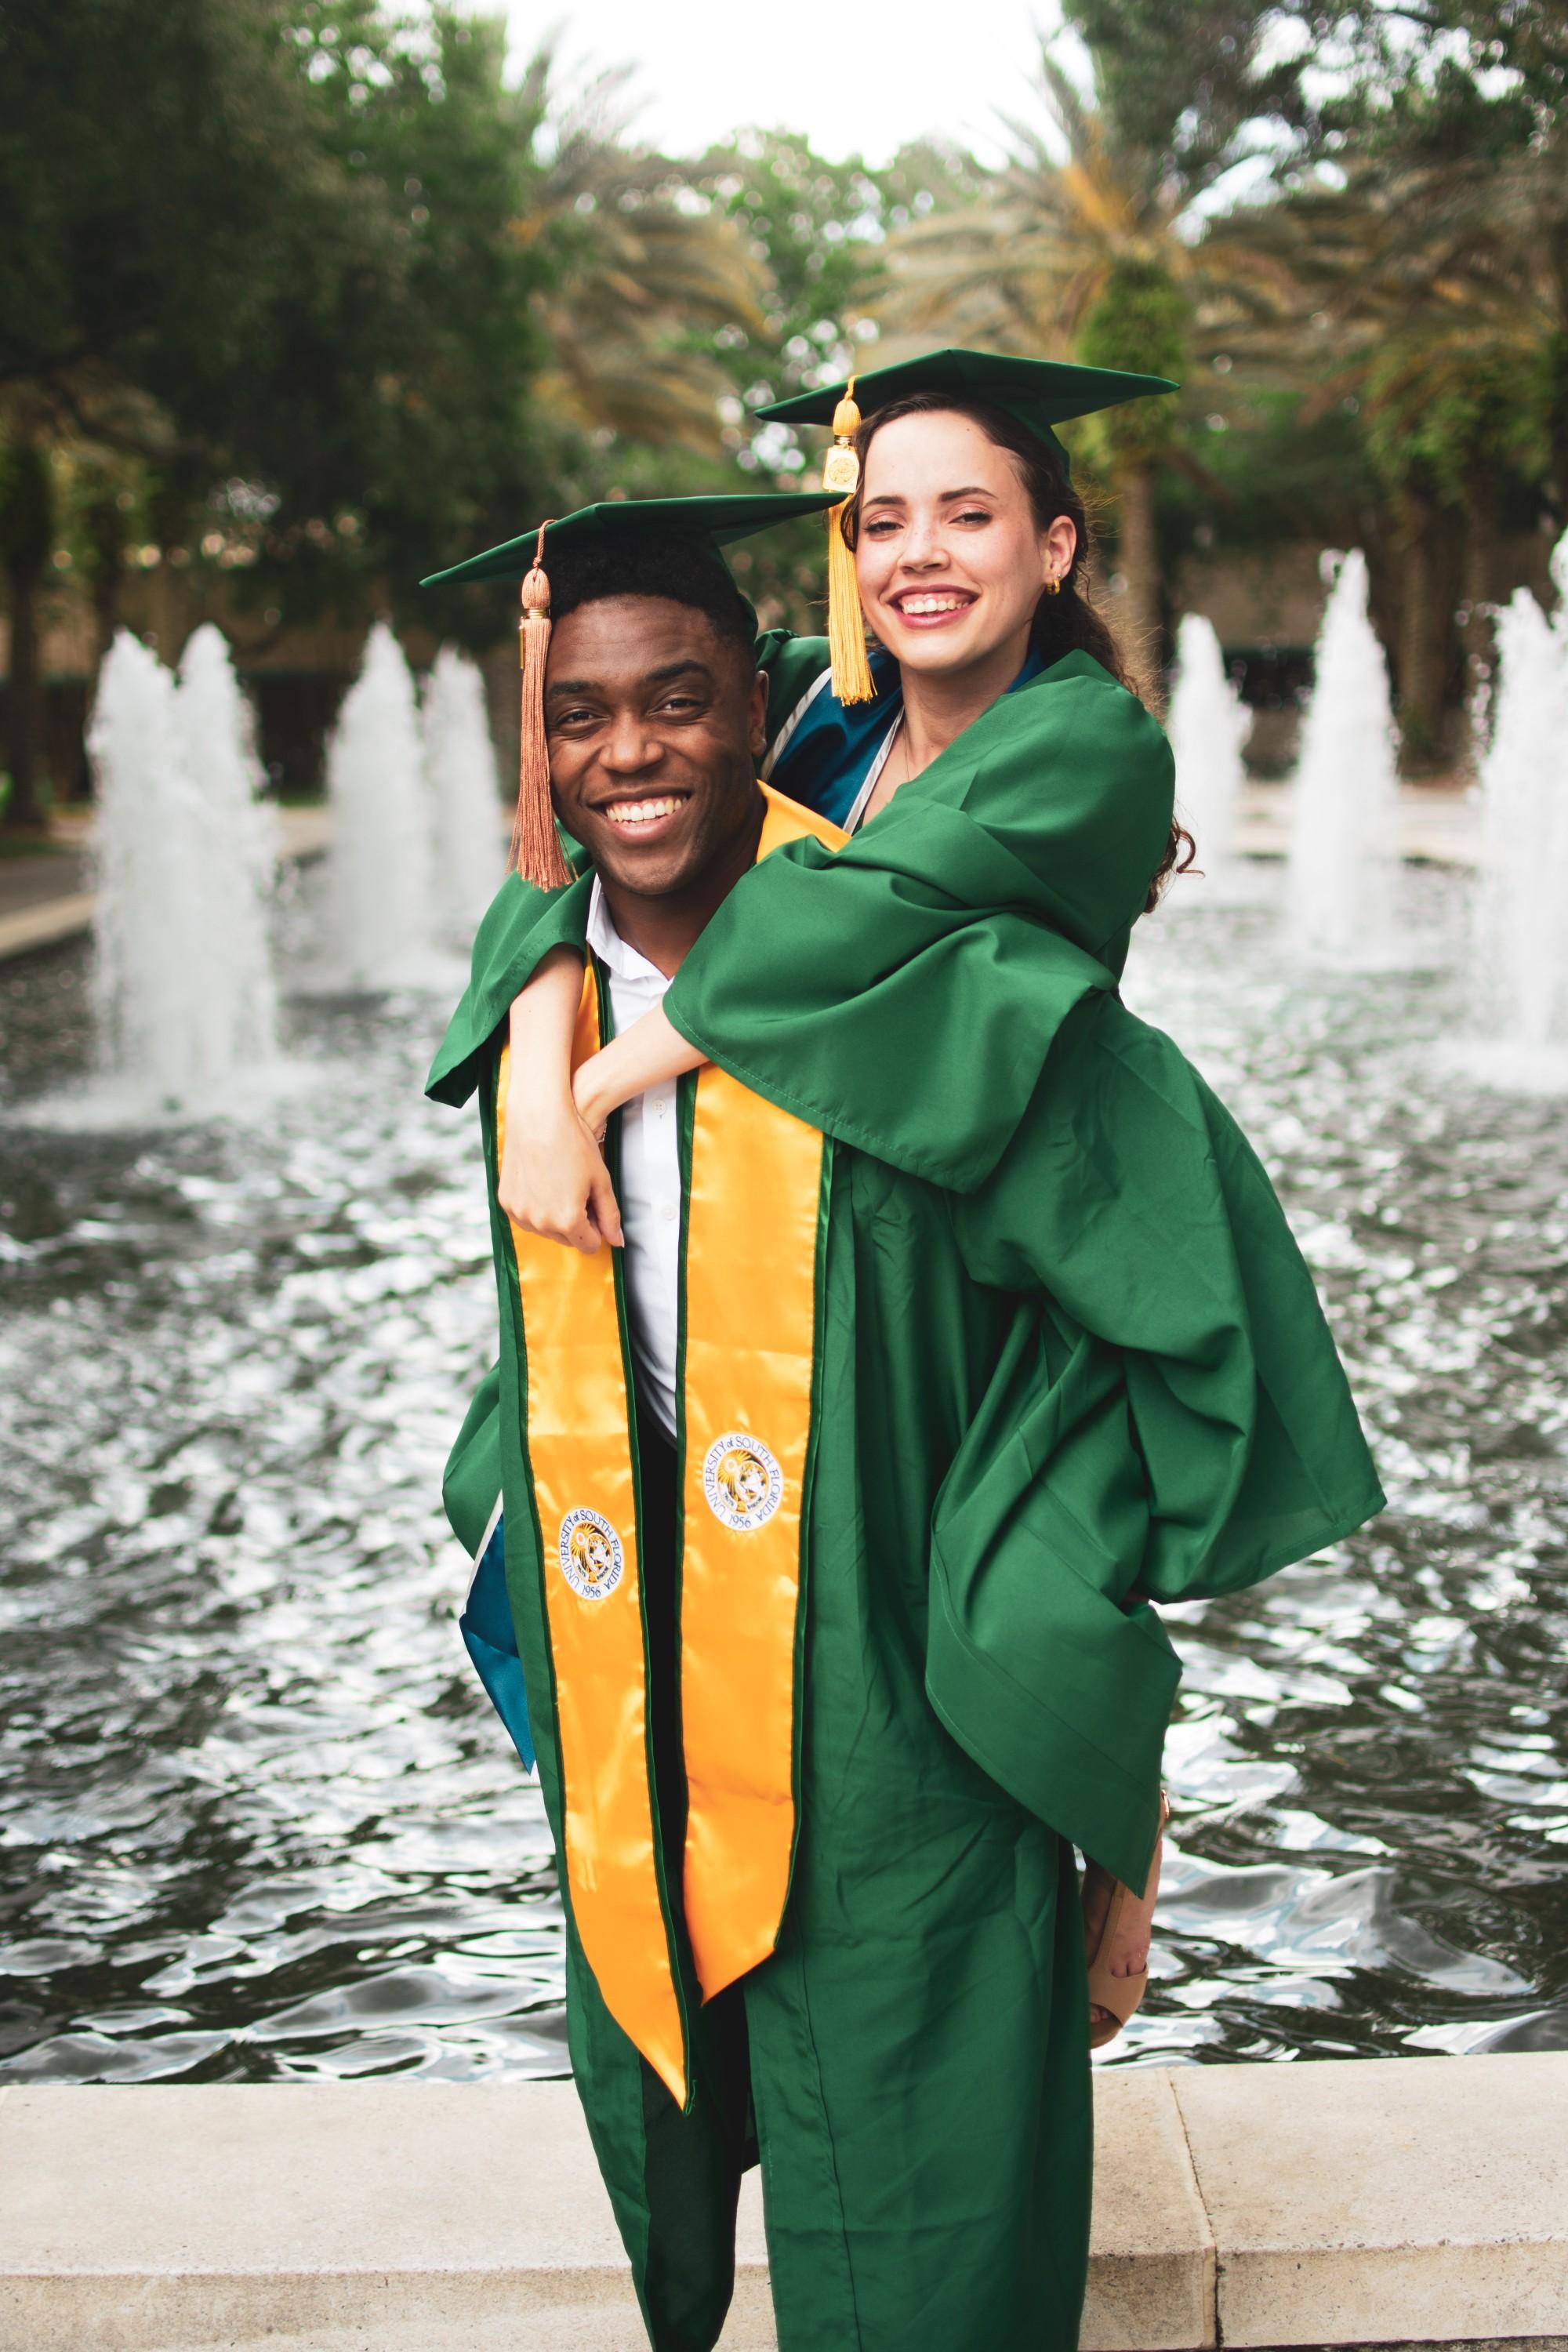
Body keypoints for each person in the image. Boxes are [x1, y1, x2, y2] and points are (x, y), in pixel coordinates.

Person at [426, 492, 1385, 2352]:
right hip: (655, 1687)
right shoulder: (535, 984)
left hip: (887, 1700)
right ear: (539, 751)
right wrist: (545, 1024)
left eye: (686, 698)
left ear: (758, 714)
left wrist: (1080, 1691)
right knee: (675, 2102)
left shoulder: (901, 950)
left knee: (925, 2230)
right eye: (580, 715)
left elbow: (1171, 1268)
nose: (632, 750)